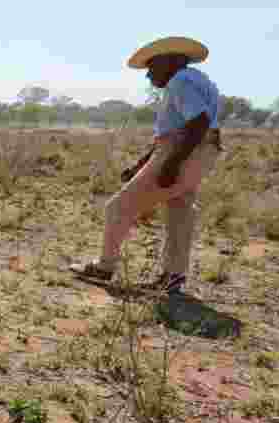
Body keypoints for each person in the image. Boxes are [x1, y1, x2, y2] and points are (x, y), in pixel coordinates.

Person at [70, 36, 222, 294]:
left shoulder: (180, 82)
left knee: (118, 207)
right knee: (180, 210)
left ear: (172, 61)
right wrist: (142, 163)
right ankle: (172, 278)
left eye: (152, 67)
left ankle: (104, 267)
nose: (149, 75)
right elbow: (181, 128)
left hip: (186, 151)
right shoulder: (200, 81)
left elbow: (198, 123)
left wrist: (172, 164)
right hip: (202, 152)